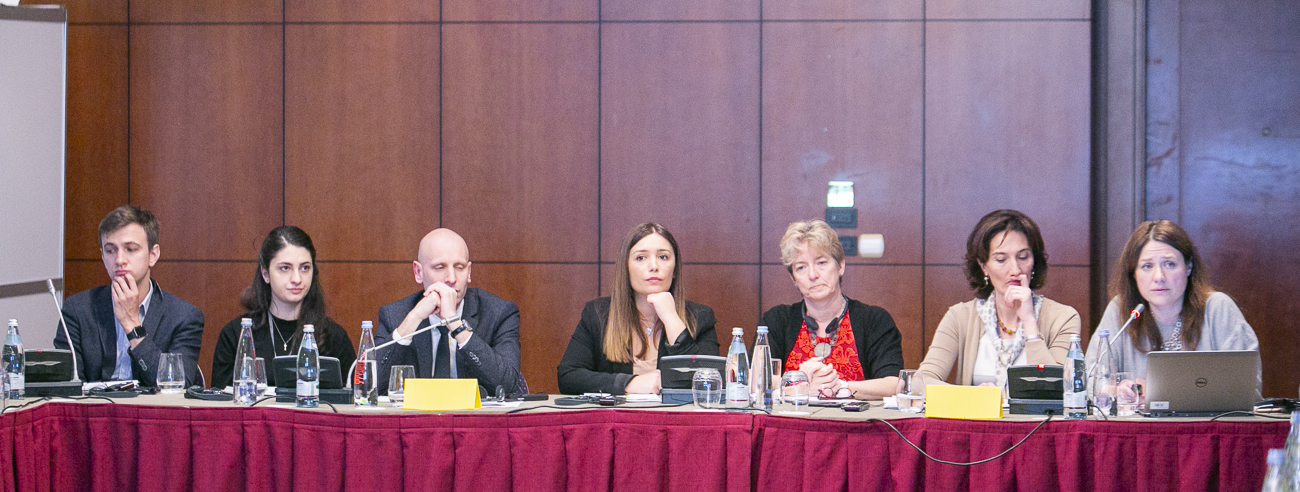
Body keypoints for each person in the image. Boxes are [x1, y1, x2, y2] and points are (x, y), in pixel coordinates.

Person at [1084, 220, 1260, 396]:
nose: (1159, 276)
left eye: (1169, 264)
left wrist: (1164, 394)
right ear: (1134, 274)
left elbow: (1248, 387)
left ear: (1188, 267)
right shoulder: (1123, 311)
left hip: (1209, 415)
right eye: (1147, 266)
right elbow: (1089, 379)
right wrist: (1117, 391)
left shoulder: (1217, 309)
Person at [918, 209, 1081, 389]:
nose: (1015, 270)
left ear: (1034, 260)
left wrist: (1029, 322)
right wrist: (974, 397)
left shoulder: (1064, 317)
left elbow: (1059, 389)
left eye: (1023, 257)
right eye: (1001, 259)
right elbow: (920, 382)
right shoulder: (960, 317)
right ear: (983, 266)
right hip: (977, 409)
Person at [557, 223, 719, 395]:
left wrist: (671, 318)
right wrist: (629, 383)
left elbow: (710, 383)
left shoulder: (700, 317)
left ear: (674, 270)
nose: (654, 266)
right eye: (641, 258)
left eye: (663, 257)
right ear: (626, 268)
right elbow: (568, 377)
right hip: (617, 413)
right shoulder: (598, 314)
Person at [53, 206, 205, 386]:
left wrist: (132, 325)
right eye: (110, 250)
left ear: (153, 255)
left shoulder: (183, 316)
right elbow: (67, 386)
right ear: (102, 256)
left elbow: (178, 386)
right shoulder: (77, 309)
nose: (119, 260)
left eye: (130, 249)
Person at [758, 220, 904, 399]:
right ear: (793, 279)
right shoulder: (777, 320)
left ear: (840, 266)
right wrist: (800, 384)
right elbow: (754, 377)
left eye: (821, 262)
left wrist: (839, 387)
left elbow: (893, 384)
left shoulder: (874, 320)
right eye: (801, 267)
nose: (813, 275)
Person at [374, 228, 525, 394]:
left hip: (474, 411)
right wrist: (413, 319)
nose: (452, 279)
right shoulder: (394, 315)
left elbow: (507, 384)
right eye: (440, 267)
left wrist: (455, 324)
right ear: (418, 272)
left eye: (459, 267)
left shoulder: (498, 313)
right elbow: (370, 385)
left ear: (469, 272)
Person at [210, 226, 356, 389]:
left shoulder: (333, 336)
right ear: (265, 274)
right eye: (285, 268)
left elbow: (352, 397)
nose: (297, 279)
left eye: (305, 268)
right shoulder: (236, 334)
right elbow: (221, 399)